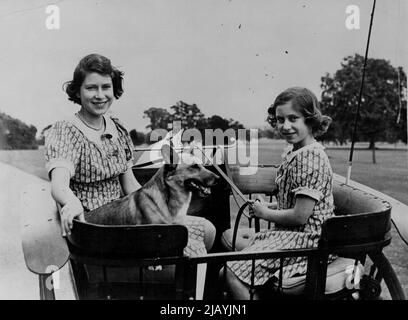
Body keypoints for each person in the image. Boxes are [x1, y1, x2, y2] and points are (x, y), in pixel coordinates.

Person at [45, 53, 215, 256]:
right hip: (96, 228)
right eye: (91, 88)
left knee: (207, 231)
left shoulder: (117, 128)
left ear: (113, 89)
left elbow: (131, 186)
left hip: (126, 216)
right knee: (192, 251)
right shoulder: (66, 130)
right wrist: (71, 202)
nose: (100, 95)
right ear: (78, 91)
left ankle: (192, 284)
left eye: (106, 87)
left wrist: (161, 210)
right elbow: (59, 184)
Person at [224, 87, 334, 299]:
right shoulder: (297, 152)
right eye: (280, 119)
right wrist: (268, 208)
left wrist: (265, 214)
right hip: (291, 235)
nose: (285, 126)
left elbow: (300, 216)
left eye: (293, 118)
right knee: (226, 269)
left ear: (310, 119)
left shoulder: (309, 158)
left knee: (230, 272)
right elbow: (295, 204)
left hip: (308, 240)